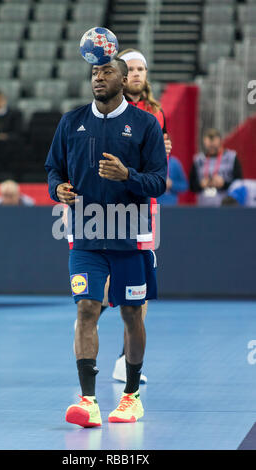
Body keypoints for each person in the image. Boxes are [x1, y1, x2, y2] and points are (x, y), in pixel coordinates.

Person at [45, 58, 167, 427]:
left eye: (107, 72)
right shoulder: (71, 122)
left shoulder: (145, 124)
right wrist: (58, 189)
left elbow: (159, 181)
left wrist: (128, 175)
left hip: (130, 235)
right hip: (86, 234)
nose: (99, 77)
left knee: (132, 312)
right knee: (86, 309)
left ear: (124, 79)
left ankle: (131, 396)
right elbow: (54, 168)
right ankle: (89, 401)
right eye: (94, 73)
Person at [99, 49, 172, 384]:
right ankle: (92, 310)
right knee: (108, 276)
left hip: (144, 205)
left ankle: (122, 359)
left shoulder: (155, 113)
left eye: (143, 68)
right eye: (132, 68)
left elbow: (158, 166)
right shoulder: (105, 109)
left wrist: (162, 150)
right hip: (109, 205)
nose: (138, 73)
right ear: (120, 74)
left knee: (139, 285)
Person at [189, 128, 243, 207]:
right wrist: (201, 185)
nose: (211, 148)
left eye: (214, 145)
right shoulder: (199, 160)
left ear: (220, 141)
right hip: (204, 205)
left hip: (227, 205)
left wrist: (224, 184)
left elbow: (239, 183)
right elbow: (191, 185)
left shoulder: (231, 157)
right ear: (204, 142)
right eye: (209, 145)